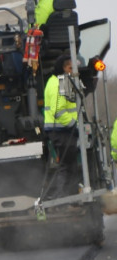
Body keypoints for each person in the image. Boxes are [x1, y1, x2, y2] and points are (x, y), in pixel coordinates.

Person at [44, 54, 80, 196]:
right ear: (63, 68)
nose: (73, 70)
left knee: (70, 165)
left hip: (63, 130)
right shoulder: (58, 84)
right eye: (71, 68)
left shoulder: (63, 81)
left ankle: (69, 198)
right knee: (67, 165)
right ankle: (63, 198)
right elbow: (58, 111)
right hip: (61, 130)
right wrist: (74, 125)